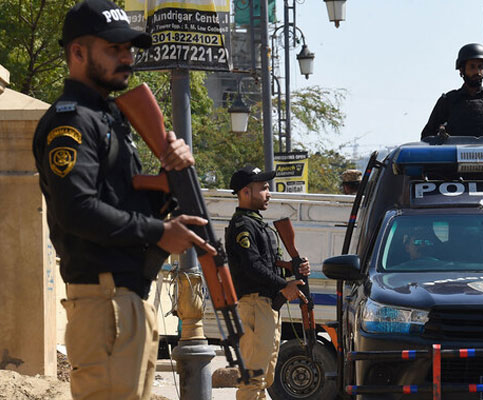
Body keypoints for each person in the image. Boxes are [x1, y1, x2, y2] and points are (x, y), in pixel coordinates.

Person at [32, 1, 216, 398]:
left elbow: (127, 206)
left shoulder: (108, 118)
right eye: (113, 49)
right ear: (77, 53)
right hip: (105, 307)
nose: (127, 57)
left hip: (124, 301)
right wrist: (159, 231)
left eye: (130, 49)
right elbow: (75, 209)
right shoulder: (72, 121)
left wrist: (172, 184)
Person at [225, 166, 310, 400]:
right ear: (245, 192)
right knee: (253, 377)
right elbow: (252, 266)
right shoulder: (242, 226)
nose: (268, 192)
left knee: (265, 377)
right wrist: (284, 285)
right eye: (262, 188)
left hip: (266, 307)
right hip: (254, 306)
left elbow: (268, 262)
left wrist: (294, 267)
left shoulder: (257, 224)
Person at [421, 43, 483, 139]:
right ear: (461, 70)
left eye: (480, 67)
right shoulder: (448, 101)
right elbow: (427, 136)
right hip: (456, 155)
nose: (477, 72)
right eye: (472, 67)